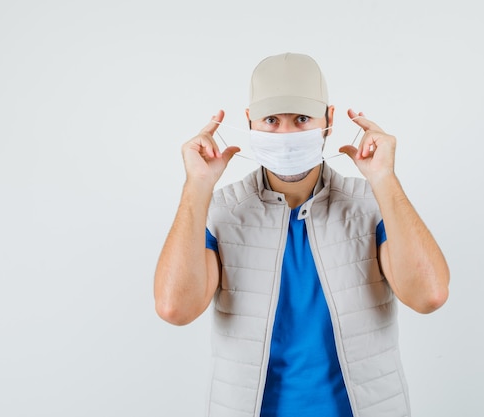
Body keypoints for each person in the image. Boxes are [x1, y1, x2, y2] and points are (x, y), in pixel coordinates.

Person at [154, 52, 450, 417]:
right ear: (250, 122)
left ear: (329, 118)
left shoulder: (371, 205)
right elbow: (174, 309)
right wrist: (195, 188)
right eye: (272, 120)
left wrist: (384, 179)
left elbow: (429, 295)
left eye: (302, 119)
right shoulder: (221, 211)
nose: (287, 135)